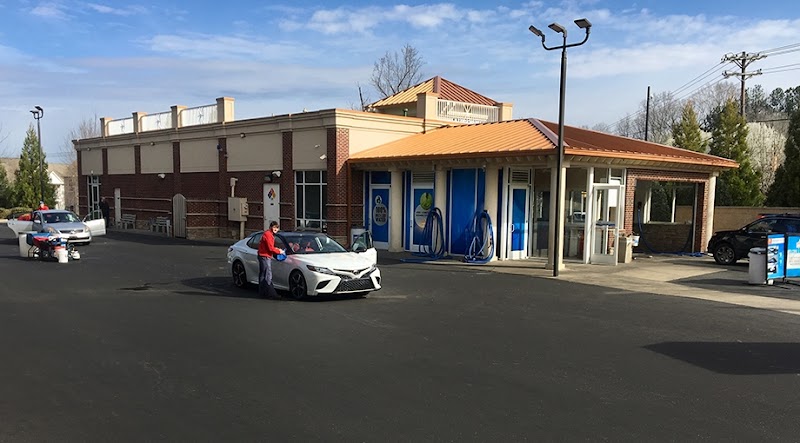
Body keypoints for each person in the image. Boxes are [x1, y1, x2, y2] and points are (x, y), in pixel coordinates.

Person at [258, 221, 285, 299]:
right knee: (268, 275)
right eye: (274, 227)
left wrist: (275, 249)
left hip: (263, 255)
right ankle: (272, 294)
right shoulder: (268, 235)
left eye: (277, 227)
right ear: (271, 227)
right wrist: (279, 251)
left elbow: (269, 246)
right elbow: (270, 248)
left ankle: (263, 293)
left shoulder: (268, 234)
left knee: (263, 275)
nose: (276, 229)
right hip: (265, 256)